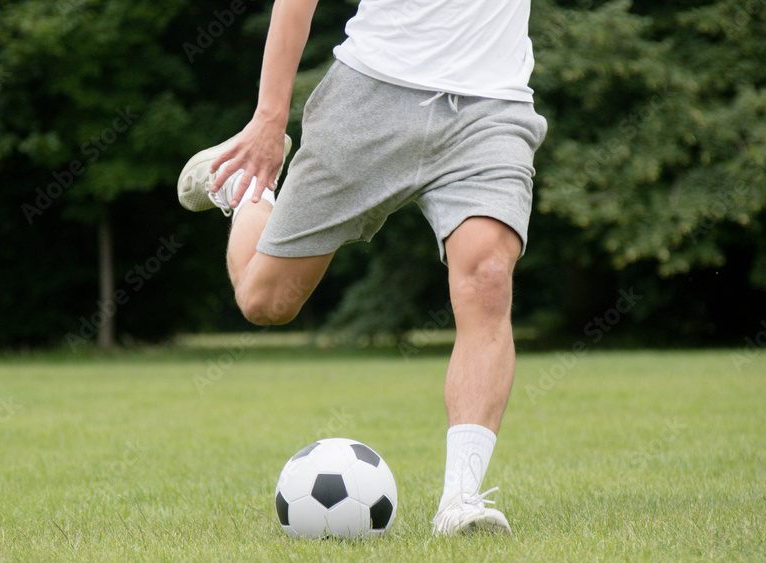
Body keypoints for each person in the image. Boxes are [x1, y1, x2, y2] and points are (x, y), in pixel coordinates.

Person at [177, 0, 547, 535]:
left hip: (491, 108)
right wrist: (268, 120)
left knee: (488, 274)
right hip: (372, 93)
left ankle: (462, 501)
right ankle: (247, 190)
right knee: (266, 303)